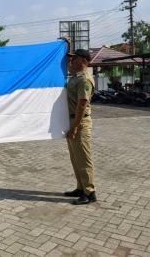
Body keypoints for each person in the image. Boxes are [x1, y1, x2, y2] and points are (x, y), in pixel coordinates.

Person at [65, 49, 97, 205]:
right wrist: (65, 46)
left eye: (75, 58)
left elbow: (82, 104)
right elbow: (67, 65)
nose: (71, 61)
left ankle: (89, 193)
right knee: (75, 158)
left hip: (80, 122)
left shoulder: (84, 79)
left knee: (84, 158)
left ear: (83, 60)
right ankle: (80, 187)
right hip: (72, 122)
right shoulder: (75, 76)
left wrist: (75, 127)